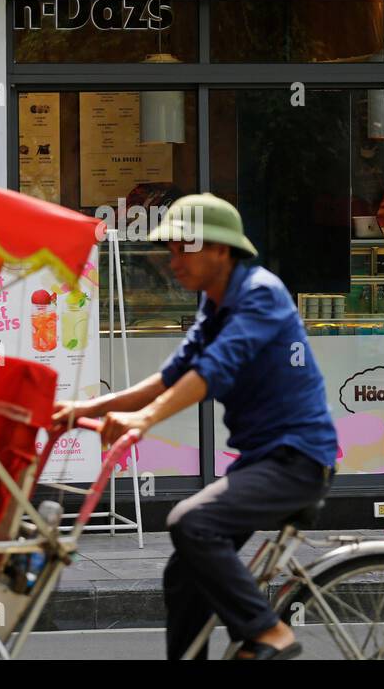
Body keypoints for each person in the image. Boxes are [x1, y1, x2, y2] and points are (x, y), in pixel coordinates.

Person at [51, 194, 338, 660]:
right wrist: (89, 407)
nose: (173, 260)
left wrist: (145, 419)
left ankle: (268, 632)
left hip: (297, 461)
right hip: (261, 461)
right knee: (183, 575)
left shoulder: (261, 293)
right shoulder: (215, 303)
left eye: (183, 248)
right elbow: (173, 373)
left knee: (191, 522)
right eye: (172, 249)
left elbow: (213, 370)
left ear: (221, 250)